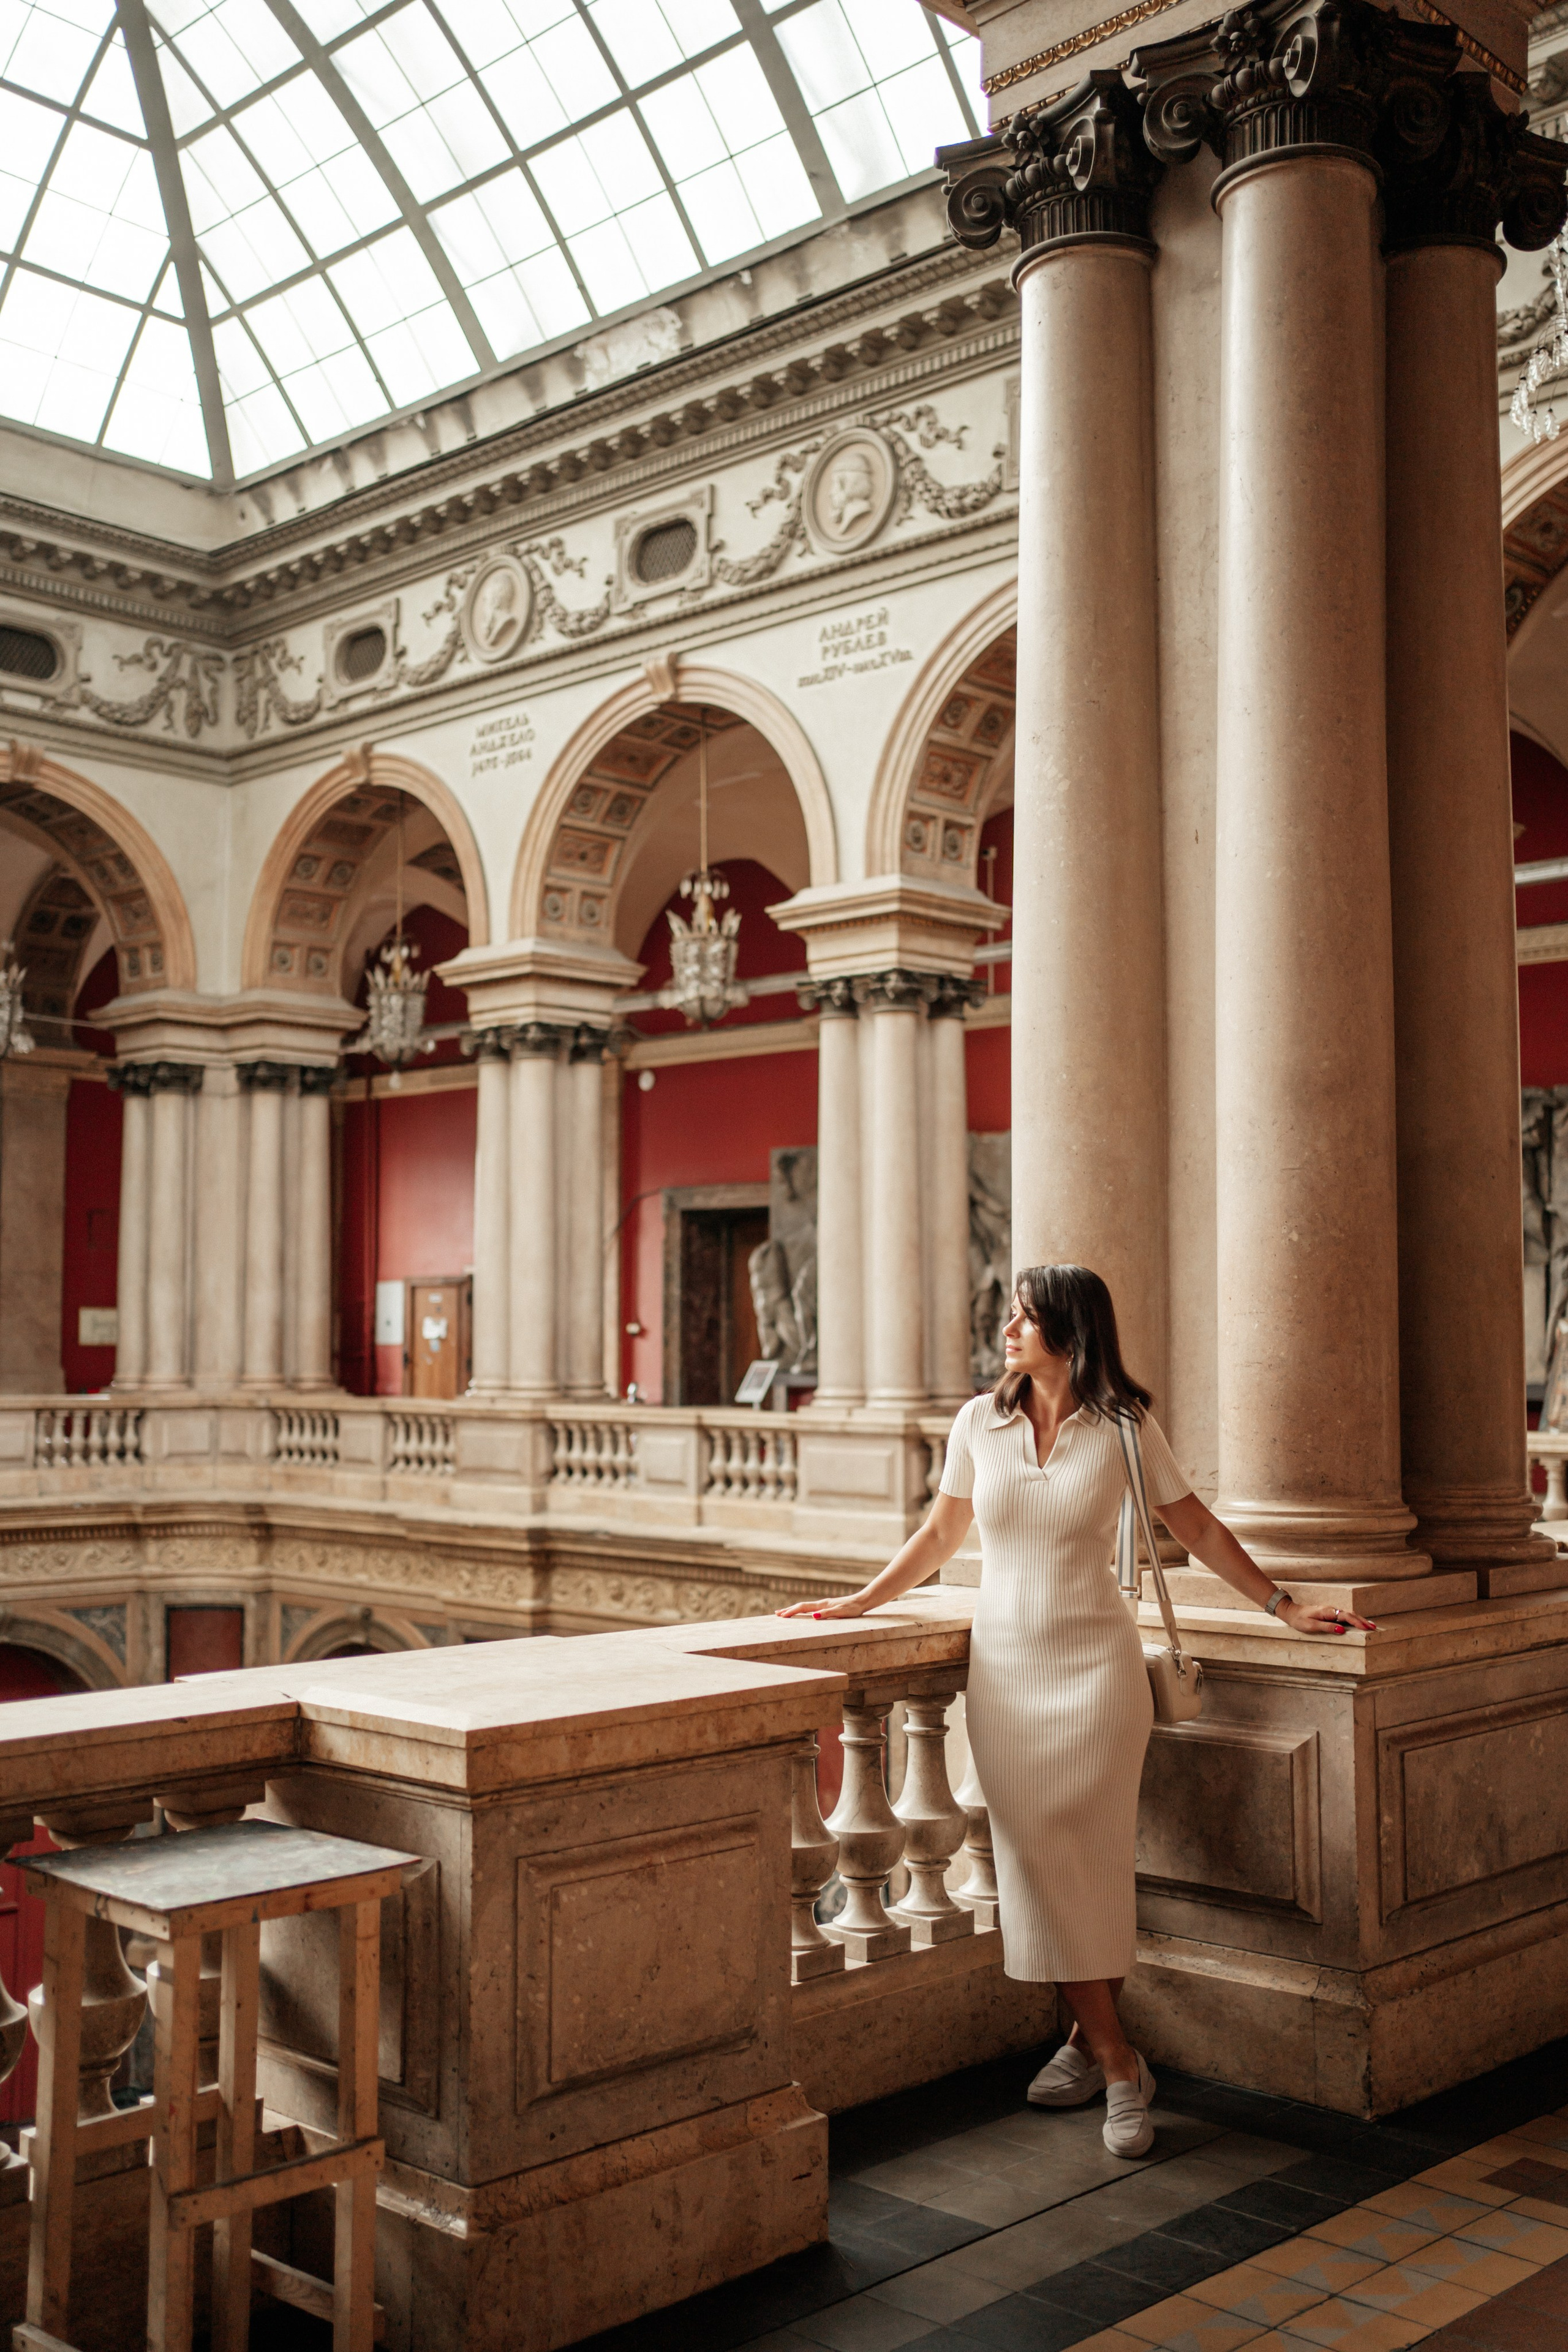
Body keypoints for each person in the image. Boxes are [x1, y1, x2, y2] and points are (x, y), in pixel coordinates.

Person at [777, 1262, 1375, 2158]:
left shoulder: (1125, 1428)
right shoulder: (981, 1421)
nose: (1008, 1329)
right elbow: (942, 1534)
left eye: (1026, 1317)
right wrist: (859, 1602)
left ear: (1071, 1331)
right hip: (1006, 1674)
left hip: (1098, 1670)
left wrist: (1283, 1605)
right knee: (1030, 1860)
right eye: (1011, 1315)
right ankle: (1113, 2052)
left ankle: (1103, 2057)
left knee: (1089, 1861)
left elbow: (1198, 1527)